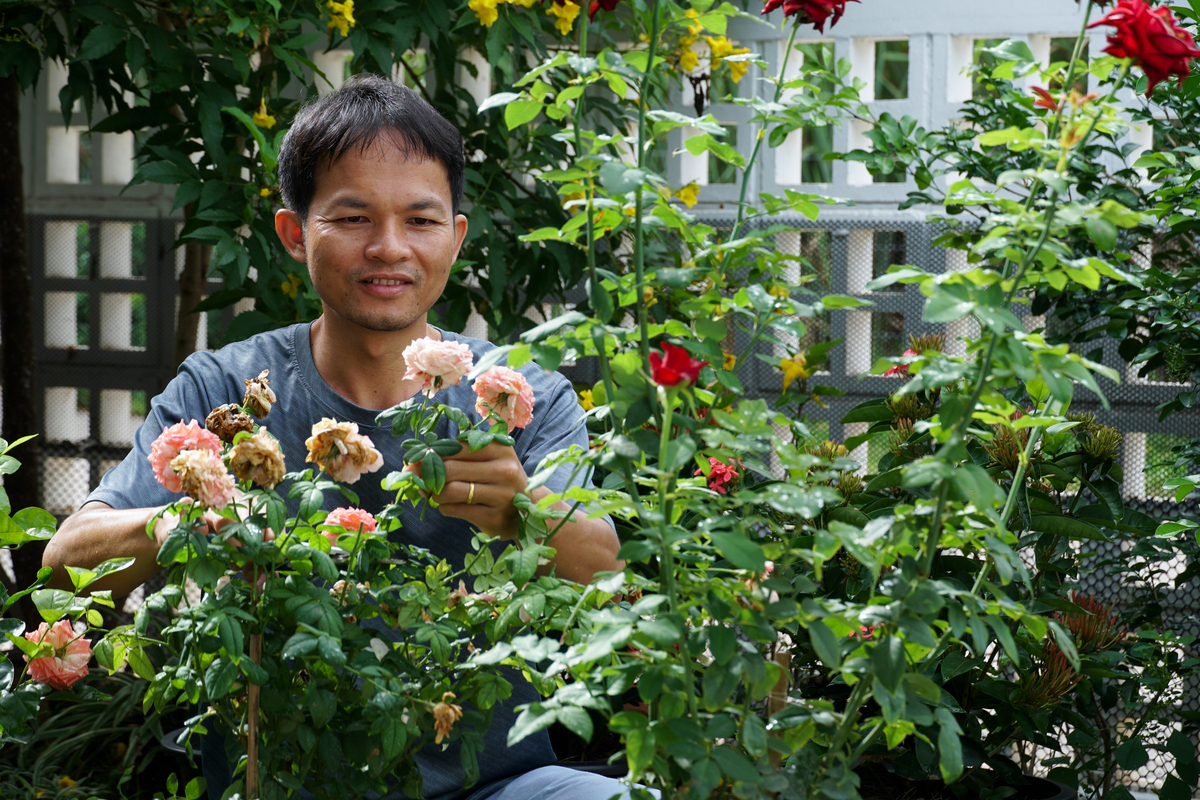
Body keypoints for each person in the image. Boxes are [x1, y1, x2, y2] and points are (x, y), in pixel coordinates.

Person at [43, 74, 628, 800]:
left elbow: (609, 580)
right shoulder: (227, 390)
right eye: (352, 219)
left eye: (420, 220)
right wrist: (197, 521)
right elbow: (66, 562)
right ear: (295, 233)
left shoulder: (518, 395)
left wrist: (525, 513)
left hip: (497, 785)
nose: (389, 248)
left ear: (456, 235)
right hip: (281, 782)